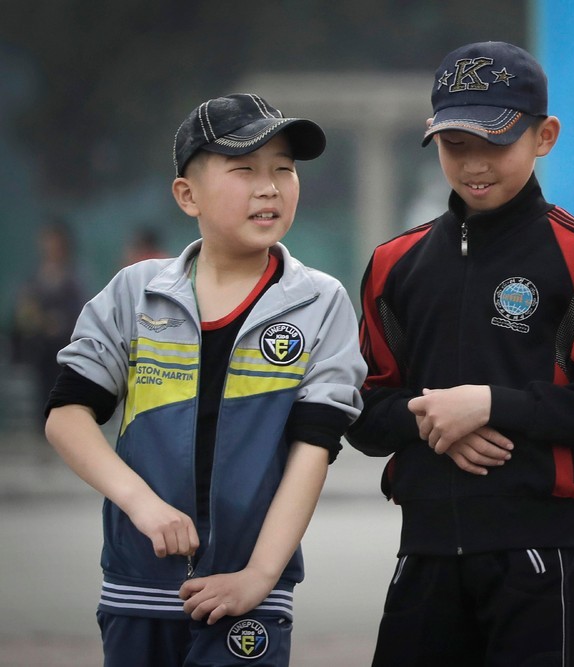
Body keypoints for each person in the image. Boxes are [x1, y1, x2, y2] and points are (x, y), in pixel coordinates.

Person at [346, 41, 574, 666]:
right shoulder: (392, 265)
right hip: (423, 555)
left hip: (538, 558)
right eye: (457, 146)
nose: (475, 164)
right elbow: (366, 415)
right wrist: (437, 424)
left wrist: (488, 405)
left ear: (545, 137)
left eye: (497, 142)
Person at [44, 93, 366, 667]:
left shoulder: (322, 302)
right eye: (244, 170)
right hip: (136, 589)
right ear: (186, 195)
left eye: (284, 170)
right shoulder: (133, 292)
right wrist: (144, 507)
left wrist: (258, 577)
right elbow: (67, 418)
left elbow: (313, 449)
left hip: (253, 600)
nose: (269, 187)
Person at [12, 220, 88, 430]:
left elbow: (79, 309)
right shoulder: (36, 276)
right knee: (41, 397)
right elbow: (26, 307)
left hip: (64, 346)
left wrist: (57, 322)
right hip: (40, 348)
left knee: (61, 398)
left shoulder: (73, 276)